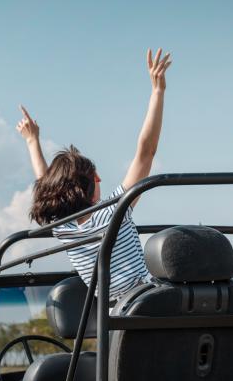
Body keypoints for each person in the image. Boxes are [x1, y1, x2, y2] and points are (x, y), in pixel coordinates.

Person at [17, 48, 172, 303]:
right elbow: (146, 152)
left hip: (111, 313)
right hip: (146, 299)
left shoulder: (62, 227)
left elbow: (45, 182)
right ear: (92, 184)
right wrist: (158, 92)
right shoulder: (113, 210)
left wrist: (32, 141)